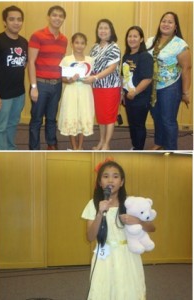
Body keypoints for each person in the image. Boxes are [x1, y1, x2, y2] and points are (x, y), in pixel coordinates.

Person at [82, 160, 155, 300]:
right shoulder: (93, 204)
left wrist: (138, 221)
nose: (110, 180)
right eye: (105, 176)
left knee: (129, 291)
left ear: (122, 182)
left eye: (115, 176)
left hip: (128, 254)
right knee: (103, 291)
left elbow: (152, 228)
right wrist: (99, 213)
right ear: (99, 182)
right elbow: (90, 237)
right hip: (104, 255)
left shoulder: (131, 203)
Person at [146, 11, 192, 150]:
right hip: (152, 87)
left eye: (170, 22)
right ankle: (159, 142)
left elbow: (186, 68)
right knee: (156, 117)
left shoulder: (180, 44)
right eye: (164, 21)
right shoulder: (151, 40)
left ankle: (171, 148)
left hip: (170, 87)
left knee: (168, 120)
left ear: (175, 26)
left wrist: (185, 92)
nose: (166, 24)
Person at [28, 5, 68, 150]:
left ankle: (51, 145)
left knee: (51, 119)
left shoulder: (64, 39)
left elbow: (61, 64)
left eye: (60, 16)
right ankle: (34, 148)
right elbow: (31, 62)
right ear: (49, 17)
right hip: (40, 84)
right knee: (37, 120)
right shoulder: (37, 35)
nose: (57, 18)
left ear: (63, 19)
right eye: (54, 15)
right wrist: (33, 87)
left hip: (57, 85)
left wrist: (67, 78)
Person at [83, 19, 121, 150]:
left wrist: (95, 77)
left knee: (109, 116)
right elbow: (90, 66)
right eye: (100, 28)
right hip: (97, 87)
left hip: (110, 87)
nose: (103, 31)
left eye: (106, 28)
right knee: (101, 116)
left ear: (111, 31)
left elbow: (112, 68)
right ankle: (101, 141)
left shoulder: (114, 47)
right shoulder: (94, 48)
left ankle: (107, 144)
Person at [0, 5, 28, 150]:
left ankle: (10, 148)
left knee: (13, 123)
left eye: (19, 19)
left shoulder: (23, 42)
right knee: (0, 127)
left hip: (19, 94)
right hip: (2, 95)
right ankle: (0, 152)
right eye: (12, 19)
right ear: (4, 22)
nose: (16, 22)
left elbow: (24, 64)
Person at [58, 33, 94, 150]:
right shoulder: (66, 60)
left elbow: (93, 77)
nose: (79, 46)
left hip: (85, 92)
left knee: (83, 116)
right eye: (77, 43)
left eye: (82, 43)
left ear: (85, 45)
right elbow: (62, 78)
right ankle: (74, 146)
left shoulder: (90, 60)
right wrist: (70, 80)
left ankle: (80, 146)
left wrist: (89, 80)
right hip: (71, 91)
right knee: (71, 115)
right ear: (72, 44)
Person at [121, 26, 153, 150]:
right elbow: (124, 77)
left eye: (135, 36)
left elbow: (147, 79)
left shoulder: (145, 56)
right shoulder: (126, 56)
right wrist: (123, 94)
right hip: (128, 97)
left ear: (141, 39)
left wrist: (134, 92)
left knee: (139, 125)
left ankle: (139, 148)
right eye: (130, 36)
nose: (132, 39)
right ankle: (135, 146)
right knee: (132, 124)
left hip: (140, 98)